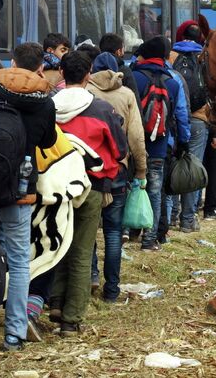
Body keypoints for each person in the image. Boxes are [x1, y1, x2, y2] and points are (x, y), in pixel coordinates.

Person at [0, 42, 57, 351]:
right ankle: (13, 334)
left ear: (13, 61)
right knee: (19, 261)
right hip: (20, 191)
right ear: (40, 68)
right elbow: (48, 140)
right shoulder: (44, 102)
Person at [50, 51, 127, 334]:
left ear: (61, 72)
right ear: (88, 74)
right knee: (83, 251)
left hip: (55, 187)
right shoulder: (101, 109)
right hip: (91, 186)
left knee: (59, 246)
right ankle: (72, 318)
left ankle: (55, 301)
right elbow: (120, 151)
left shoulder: (47, 107)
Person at [87, 52, 147, 302]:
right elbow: (135, 136)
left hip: (87, 168)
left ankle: (90, 277)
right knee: (113, 233)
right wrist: (141, 169)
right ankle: (111, 290)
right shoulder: (127, 95)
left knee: (87, 230)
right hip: (118, 170)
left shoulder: (86, 93)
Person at [132, 36, 190, 250]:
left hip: (134, 145)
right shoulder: (173, 83)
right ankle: (150, 240)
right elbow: (181, 115)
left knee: (132, 187)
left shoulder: (133, 77)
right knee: (155, 193)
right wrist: (183, 142)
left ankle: (130, 232)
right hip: (160, 145)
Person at [170, 20, 209, 232]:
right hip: (198, 120)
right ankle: (188, 219)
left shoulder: (171, 56)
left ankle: (172, 216)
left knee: (174, 166)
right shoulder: (204, 56)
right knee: (192, 169)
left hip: (176, 121)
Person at [98, 33, 140, 103]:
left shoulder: (93, 69)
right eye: (123, 48)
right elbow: (135, 100)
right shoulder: (124, 71)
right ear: (119, 52)